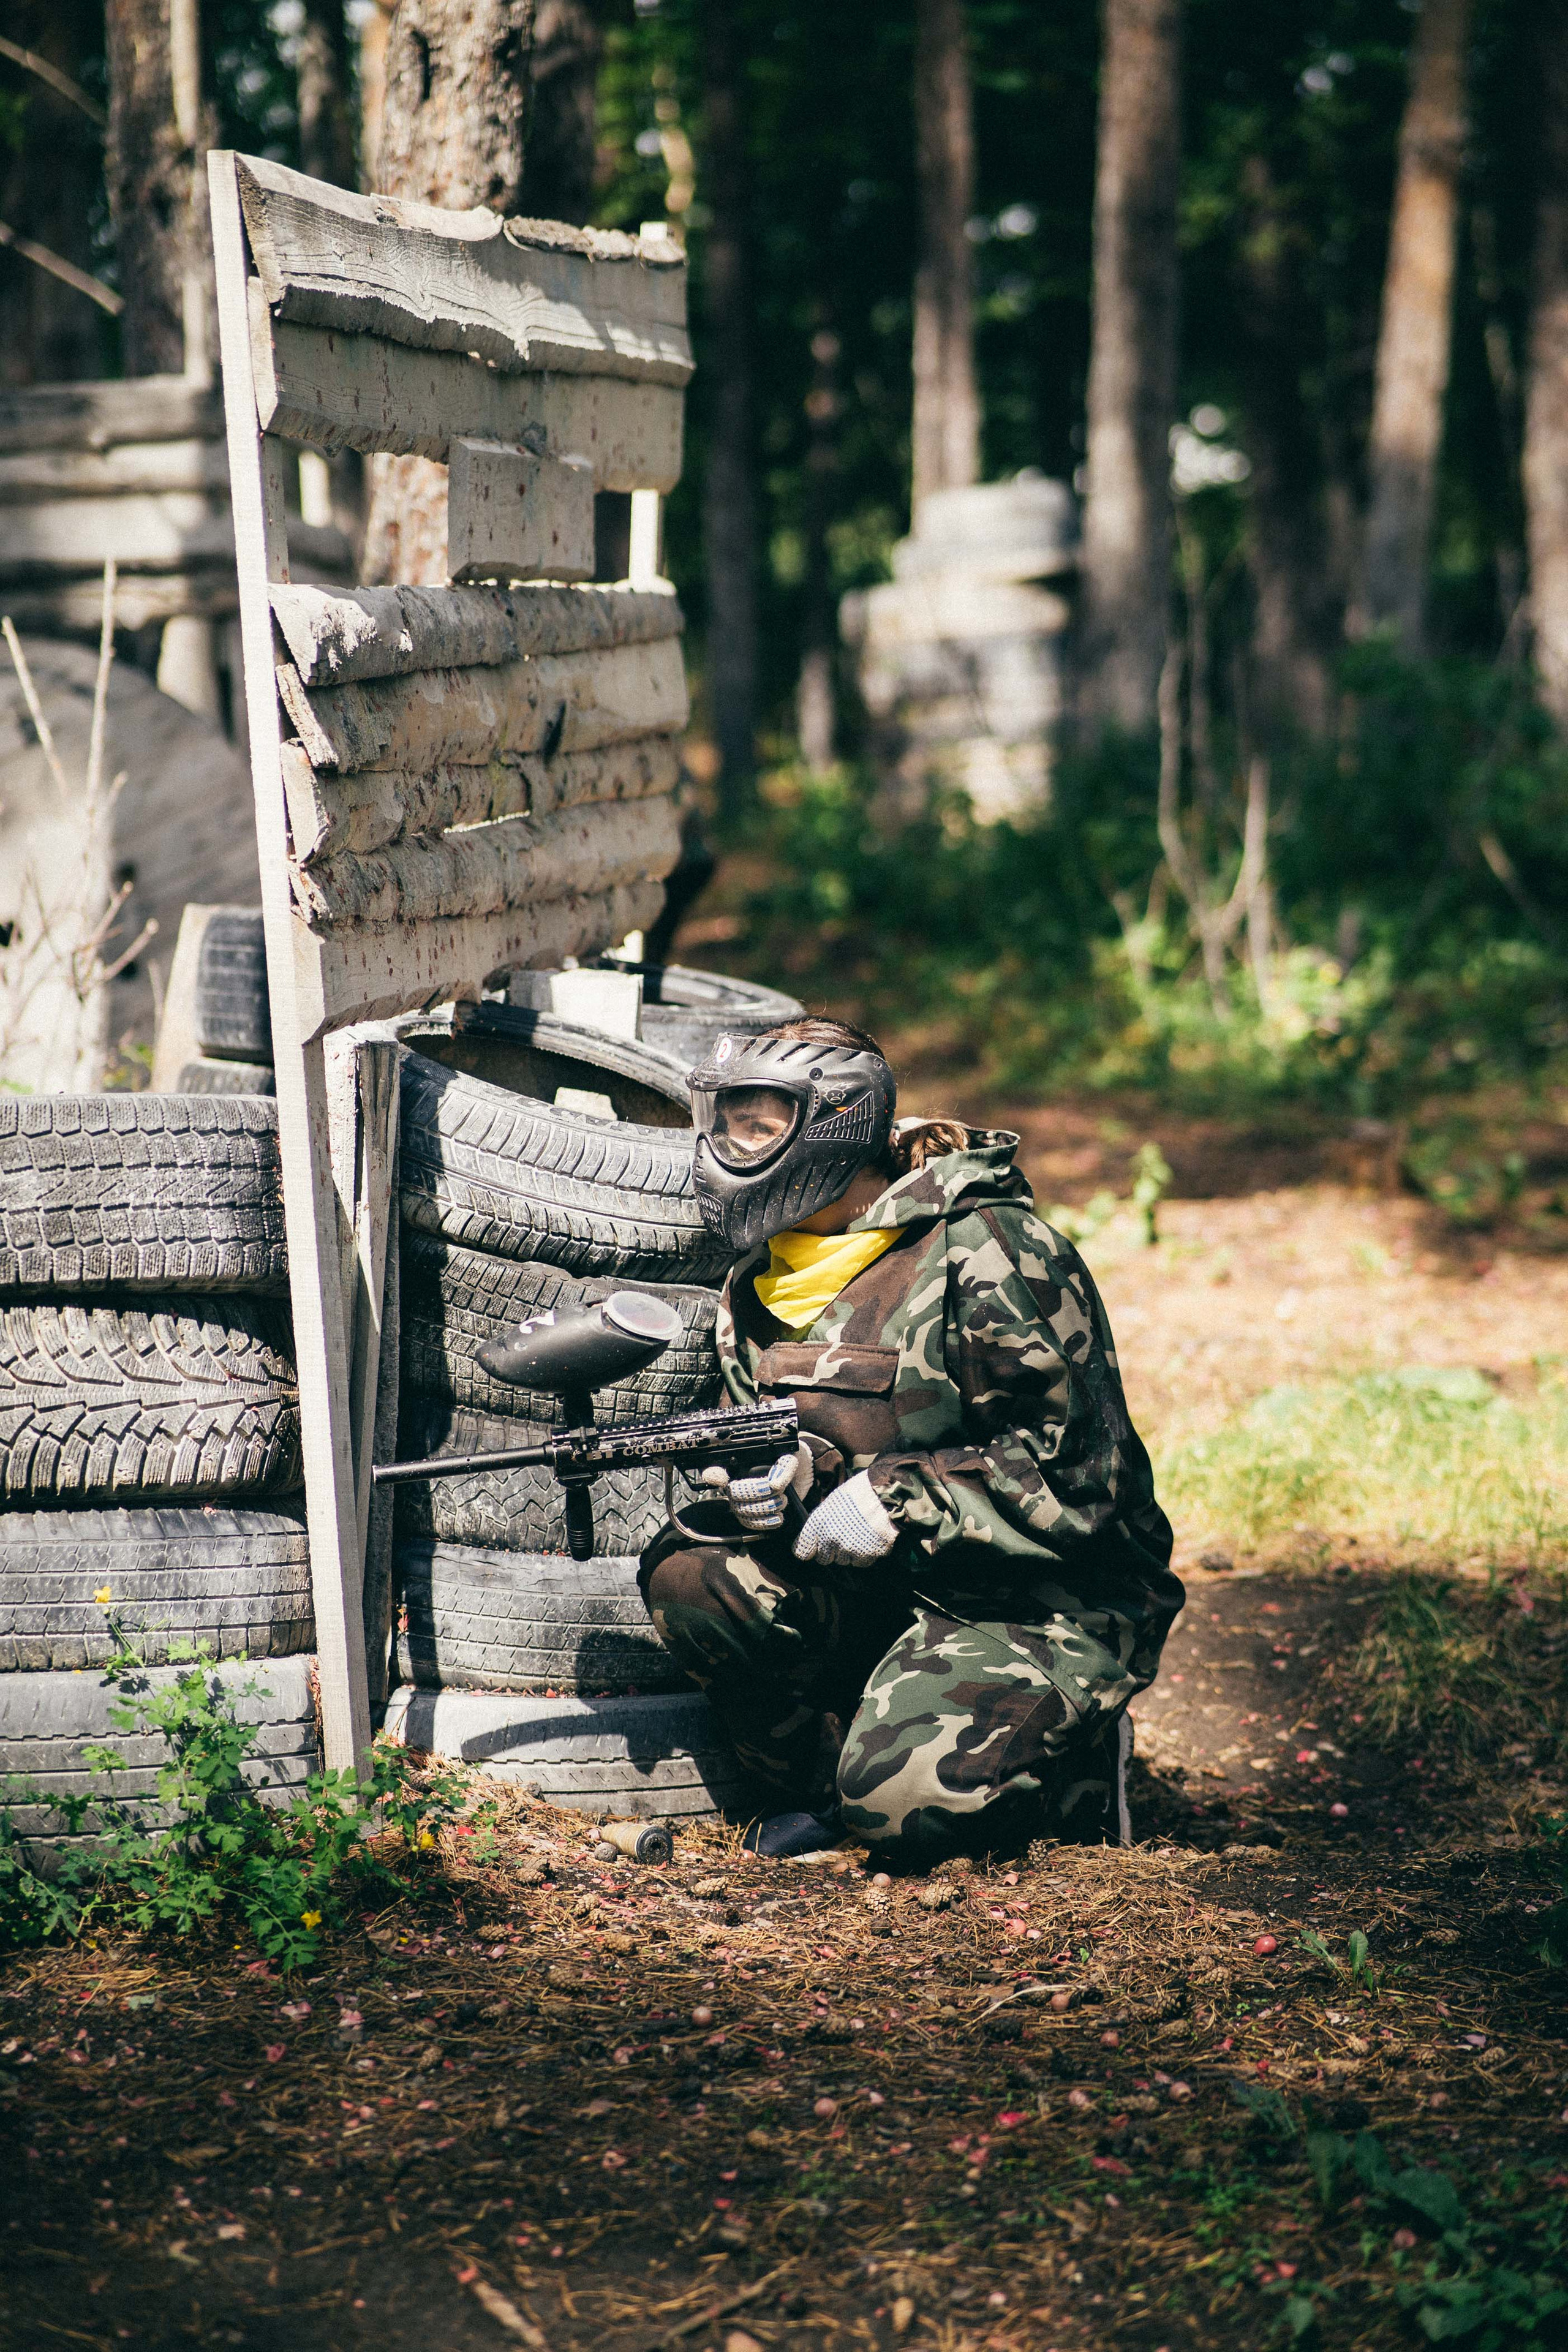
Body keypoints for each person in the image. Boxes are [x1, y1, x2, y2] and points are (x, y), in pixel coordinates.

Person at [638, 1017, 1182, 1867]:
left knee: (903, 1811)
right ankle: (832, 1789)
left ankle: (1073, 1769)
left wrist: (895, 1498)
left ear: (838, 1126)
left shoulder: (990, 1249)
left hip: (1039, 1600)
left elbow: (1085, 1479)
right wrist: (767, 1489)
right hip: (883, 1586)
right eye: (723, 1119)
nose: (727, 1147)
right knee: (691, 1577)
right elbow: (787, 1445)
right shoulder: (763, 1274)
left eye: (758, 1123)